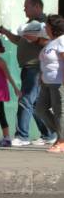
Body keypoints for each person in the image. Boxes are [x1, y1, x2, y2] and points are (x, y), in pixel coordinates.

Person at [0, 0, 52, 147]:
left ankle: (22, 136)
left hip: (35, 68)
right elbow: (18, 40)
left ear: (37, 6)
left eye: (26, 6)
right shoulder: (30, 25)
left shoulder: (44, 23)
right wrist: (6, 32)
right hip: (29, 68)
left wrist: (37, 40)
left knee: (25, 100)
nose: (24, 9)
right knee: (34, 104)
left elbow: (52, 41)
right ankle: (49, 134)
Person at [41, 16, 64, 155]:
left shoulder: (61, 40)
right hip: (46, 82)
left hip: (58, 82)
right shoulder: (51, 42)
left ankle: (61, 142)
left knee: (59, 112)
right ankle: (61, 134)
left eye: (47, 25)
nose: (45, 28)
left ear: (53, 27)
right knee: (40, 109)